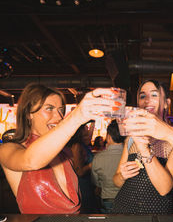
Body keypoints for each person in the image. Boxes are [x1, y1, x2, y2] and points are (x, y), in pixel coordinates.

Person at [0, 83, 120, 214]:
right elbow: (31, 161)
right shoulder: (8, 149)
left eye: (61, 110)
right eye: (49, 108)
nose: (59, 117)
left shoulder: (64, 151)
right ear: (29, 113)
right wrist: (76, 117)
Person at [112, 80, 173, 214]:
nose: (147, 101)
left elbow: (164, 188)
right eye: (143, 96)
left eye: (154, 95)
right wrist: (122, 176)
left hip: (155, 214)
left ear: (167, 103)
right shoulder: (131, 138)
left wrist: (144, 150)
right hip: (123, 210)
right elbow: (116, 180)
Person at [91, 120, 124, 213]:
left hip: (107, 198)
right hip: (127, 198)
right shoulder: (131, 156)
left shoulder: (98, 157)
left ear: (109, 137)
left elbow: (95, 182)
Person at [68, 121, 99, 213]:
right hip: (82, 184)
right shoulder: (76, 146)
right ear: (80, 130)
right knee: (86, 210)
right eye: (86, 127)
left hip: (88, 182)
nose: (88, 129)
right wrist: (93, 164)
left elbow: (89, 136)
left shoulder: (82, 143)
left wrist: (93, 122)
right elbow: (79, 171)